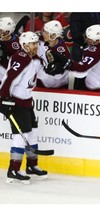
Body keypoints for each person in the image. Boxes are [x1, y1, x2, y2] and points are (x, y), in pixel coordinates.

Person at [0, 31, 48, 184]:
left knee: (32, 133)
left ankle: (32, 166)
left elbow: (44, 73)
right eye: (34, 43)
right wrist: (4, 99)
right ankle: (13, 170)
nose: (36, 46)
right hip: (17, 102)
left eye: (37, 43)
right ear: (25, 45)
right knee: (21, 137)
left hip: (27, 101)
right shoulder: (20, 58)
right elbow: (9, 79)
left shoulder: (34, 59)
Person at [48, 24, 100, 93]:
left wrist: (67, 63)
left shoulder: (94, 52)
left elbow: (82, 70)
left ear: (97, 41)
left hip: (99, 87)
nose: (87, 40)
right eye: (87, 37)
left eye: (91, 39)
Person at [36, 20, 71, 88]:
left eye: (46, 32)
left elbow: (58, 74)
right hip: (44, 79)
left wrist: (54, 67)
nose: (43, 34)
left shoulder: (62, 52)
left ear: (53, 35)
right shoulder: (42, 39)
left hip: (57, 84)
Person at [0, 17, 21, 85]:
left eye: (0, 30)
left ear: (7, 32)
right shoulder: (4, 39)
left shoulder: (15, 45)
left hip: (9, 73)